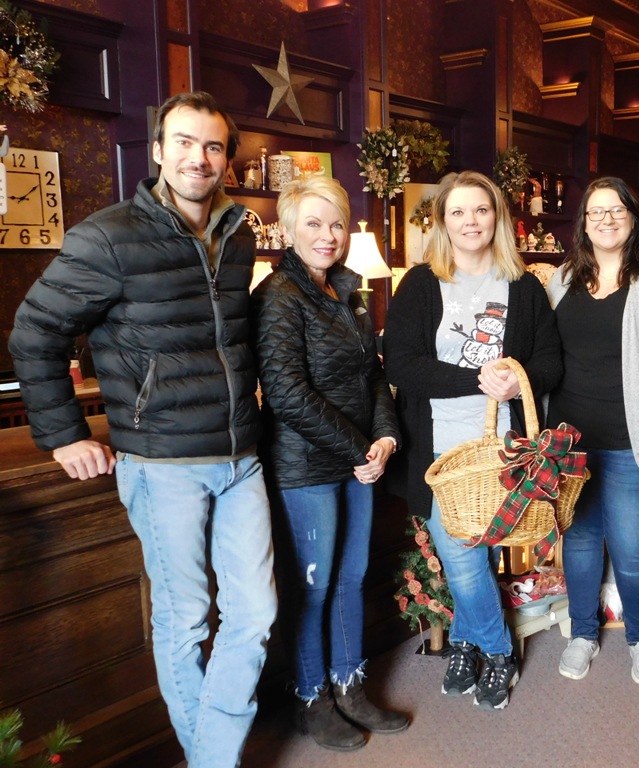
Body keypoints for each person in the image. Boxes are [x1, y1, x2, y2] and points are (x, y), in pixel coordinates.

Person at [8, 91, 277, 767]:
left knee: (255, 615)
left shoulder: (238, 233)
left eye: (212, 146)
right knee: (184, 621)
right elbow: (35, 332)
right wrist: (65, 434)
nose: (198, 158)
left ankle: (209, 757)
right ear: (158, 150)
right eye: (183, 142)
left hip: (240, 455)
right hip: (161, 464)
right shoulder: (108, 236)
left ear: (227, 159)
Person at [383, 170, 562, 711]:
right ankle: (499, 650)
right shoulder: (420, 283)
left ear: (497, 217)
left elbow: (550, 363)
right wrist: (478, 378)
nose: (470, 221)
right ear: (442, 222)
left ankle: (463, 642)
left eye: (481, 210)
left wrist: (517, 380)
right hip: (439, 451)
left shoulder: (524, 287)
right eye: (457, 211)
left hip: (503, 452)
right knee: (461, 557)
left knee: (475, 553)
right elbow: (401, 364)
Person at [250, 177, 407, 751]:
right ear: (288, 230)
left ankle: (350, 686)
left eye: (337, 223)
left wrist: (385, 438)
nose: (328, 235)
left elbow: (374, 376)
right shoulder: (277, 295)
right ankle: (310, 697)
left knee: (351, 579)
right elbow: (286, 394)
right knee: (313, 588)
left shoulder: (348, 291)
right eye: (314, 224)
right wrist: (361, 448)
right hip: (305, 467)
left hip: (357, 461)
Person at [546, 176, 639, 684]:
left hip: (633, 444)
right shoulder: (562, 278)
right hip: (570, 444)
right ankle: (583, 633)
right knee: (580, 543)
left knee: (632, 549)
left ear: (633, 217)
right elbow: (546, 354)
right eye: (596, 212)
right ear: (584, 223)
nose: (606, 219)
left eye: (616, 210)